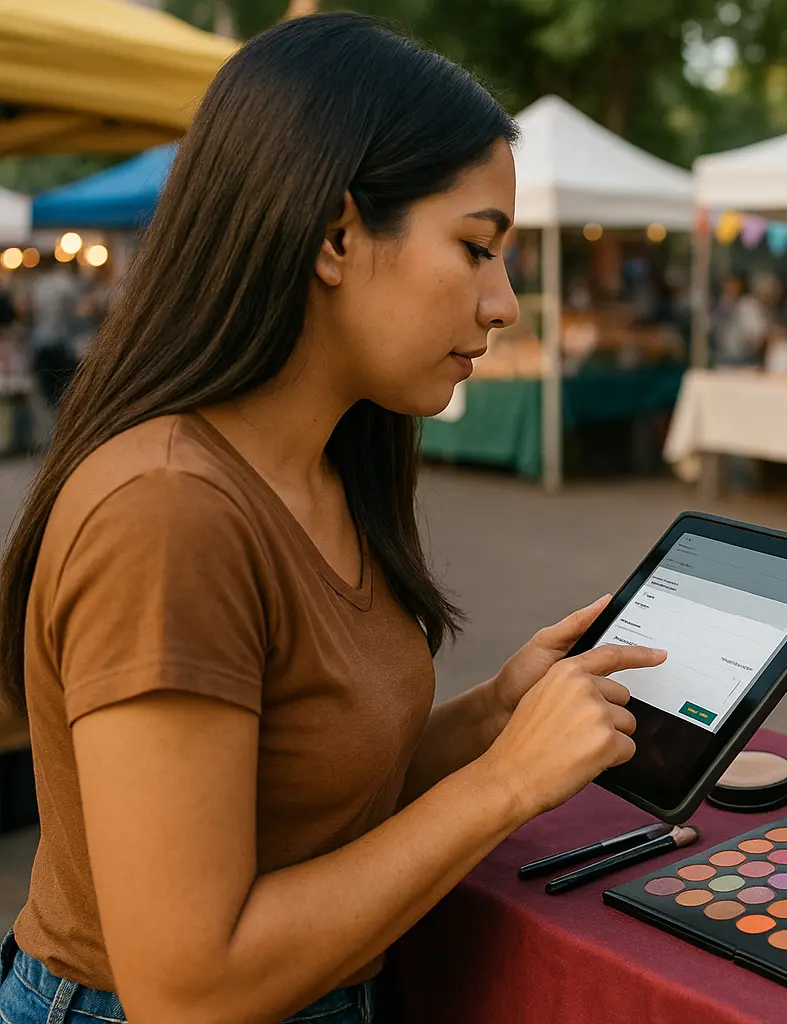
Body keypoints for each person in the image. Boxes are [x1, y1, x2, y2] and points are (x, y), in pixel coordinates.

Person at [0, 14, 663, 1023]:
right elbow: (187, 985)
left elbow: (312, 795)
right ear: (336, 235)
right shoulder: (170, 512)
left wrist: (496, 713)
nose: (505, 304)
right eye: (478, 248)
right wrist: (507, 785)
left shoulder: (324, 462)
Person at [25, 255, 84, 410]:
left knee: (48, 392)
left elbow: (31, 311)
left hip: (42, 341)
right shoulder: (66, 284)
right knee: (63, 392)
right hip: (61, 343)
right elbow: (76, 311)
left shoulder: (40, 284)